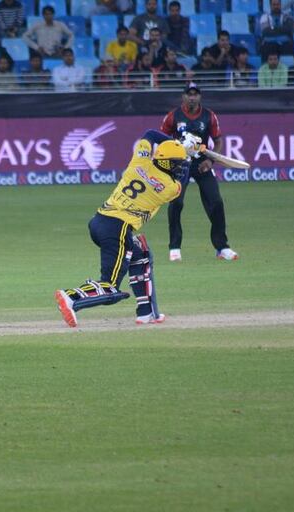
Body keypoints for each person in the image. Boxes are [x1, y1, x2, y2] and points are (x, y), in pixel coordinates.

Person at [54, 132, 189, 328]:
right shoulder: (168, 187)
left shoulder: (140, 161)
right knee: (110, 289)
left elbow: (150, 134)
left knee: (140, 254)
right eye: (177, 163)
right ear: (168, 164)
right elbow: (182, 182)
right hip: (117, 229)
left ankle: (147, 313)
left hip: (100, 221)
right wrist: (189, 153)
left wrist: (175, 144)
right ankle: (71, 297)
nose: (179, 167)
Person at [162, 83, 239, 262]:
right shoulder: (173, 116)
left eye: (195, 94)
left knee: (216, 202)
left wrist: (210, 161)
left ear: (200, 97)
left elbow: (218, 140)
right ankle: (174, 247)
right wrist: (170, 159)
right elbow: (162, 138)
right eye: (189, 94)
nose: (192, 97)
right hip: (180, 164)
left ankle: (222, 247)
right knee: (176, 203)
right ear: (183, 96)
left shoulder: (209, 116)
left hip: (201, 164)